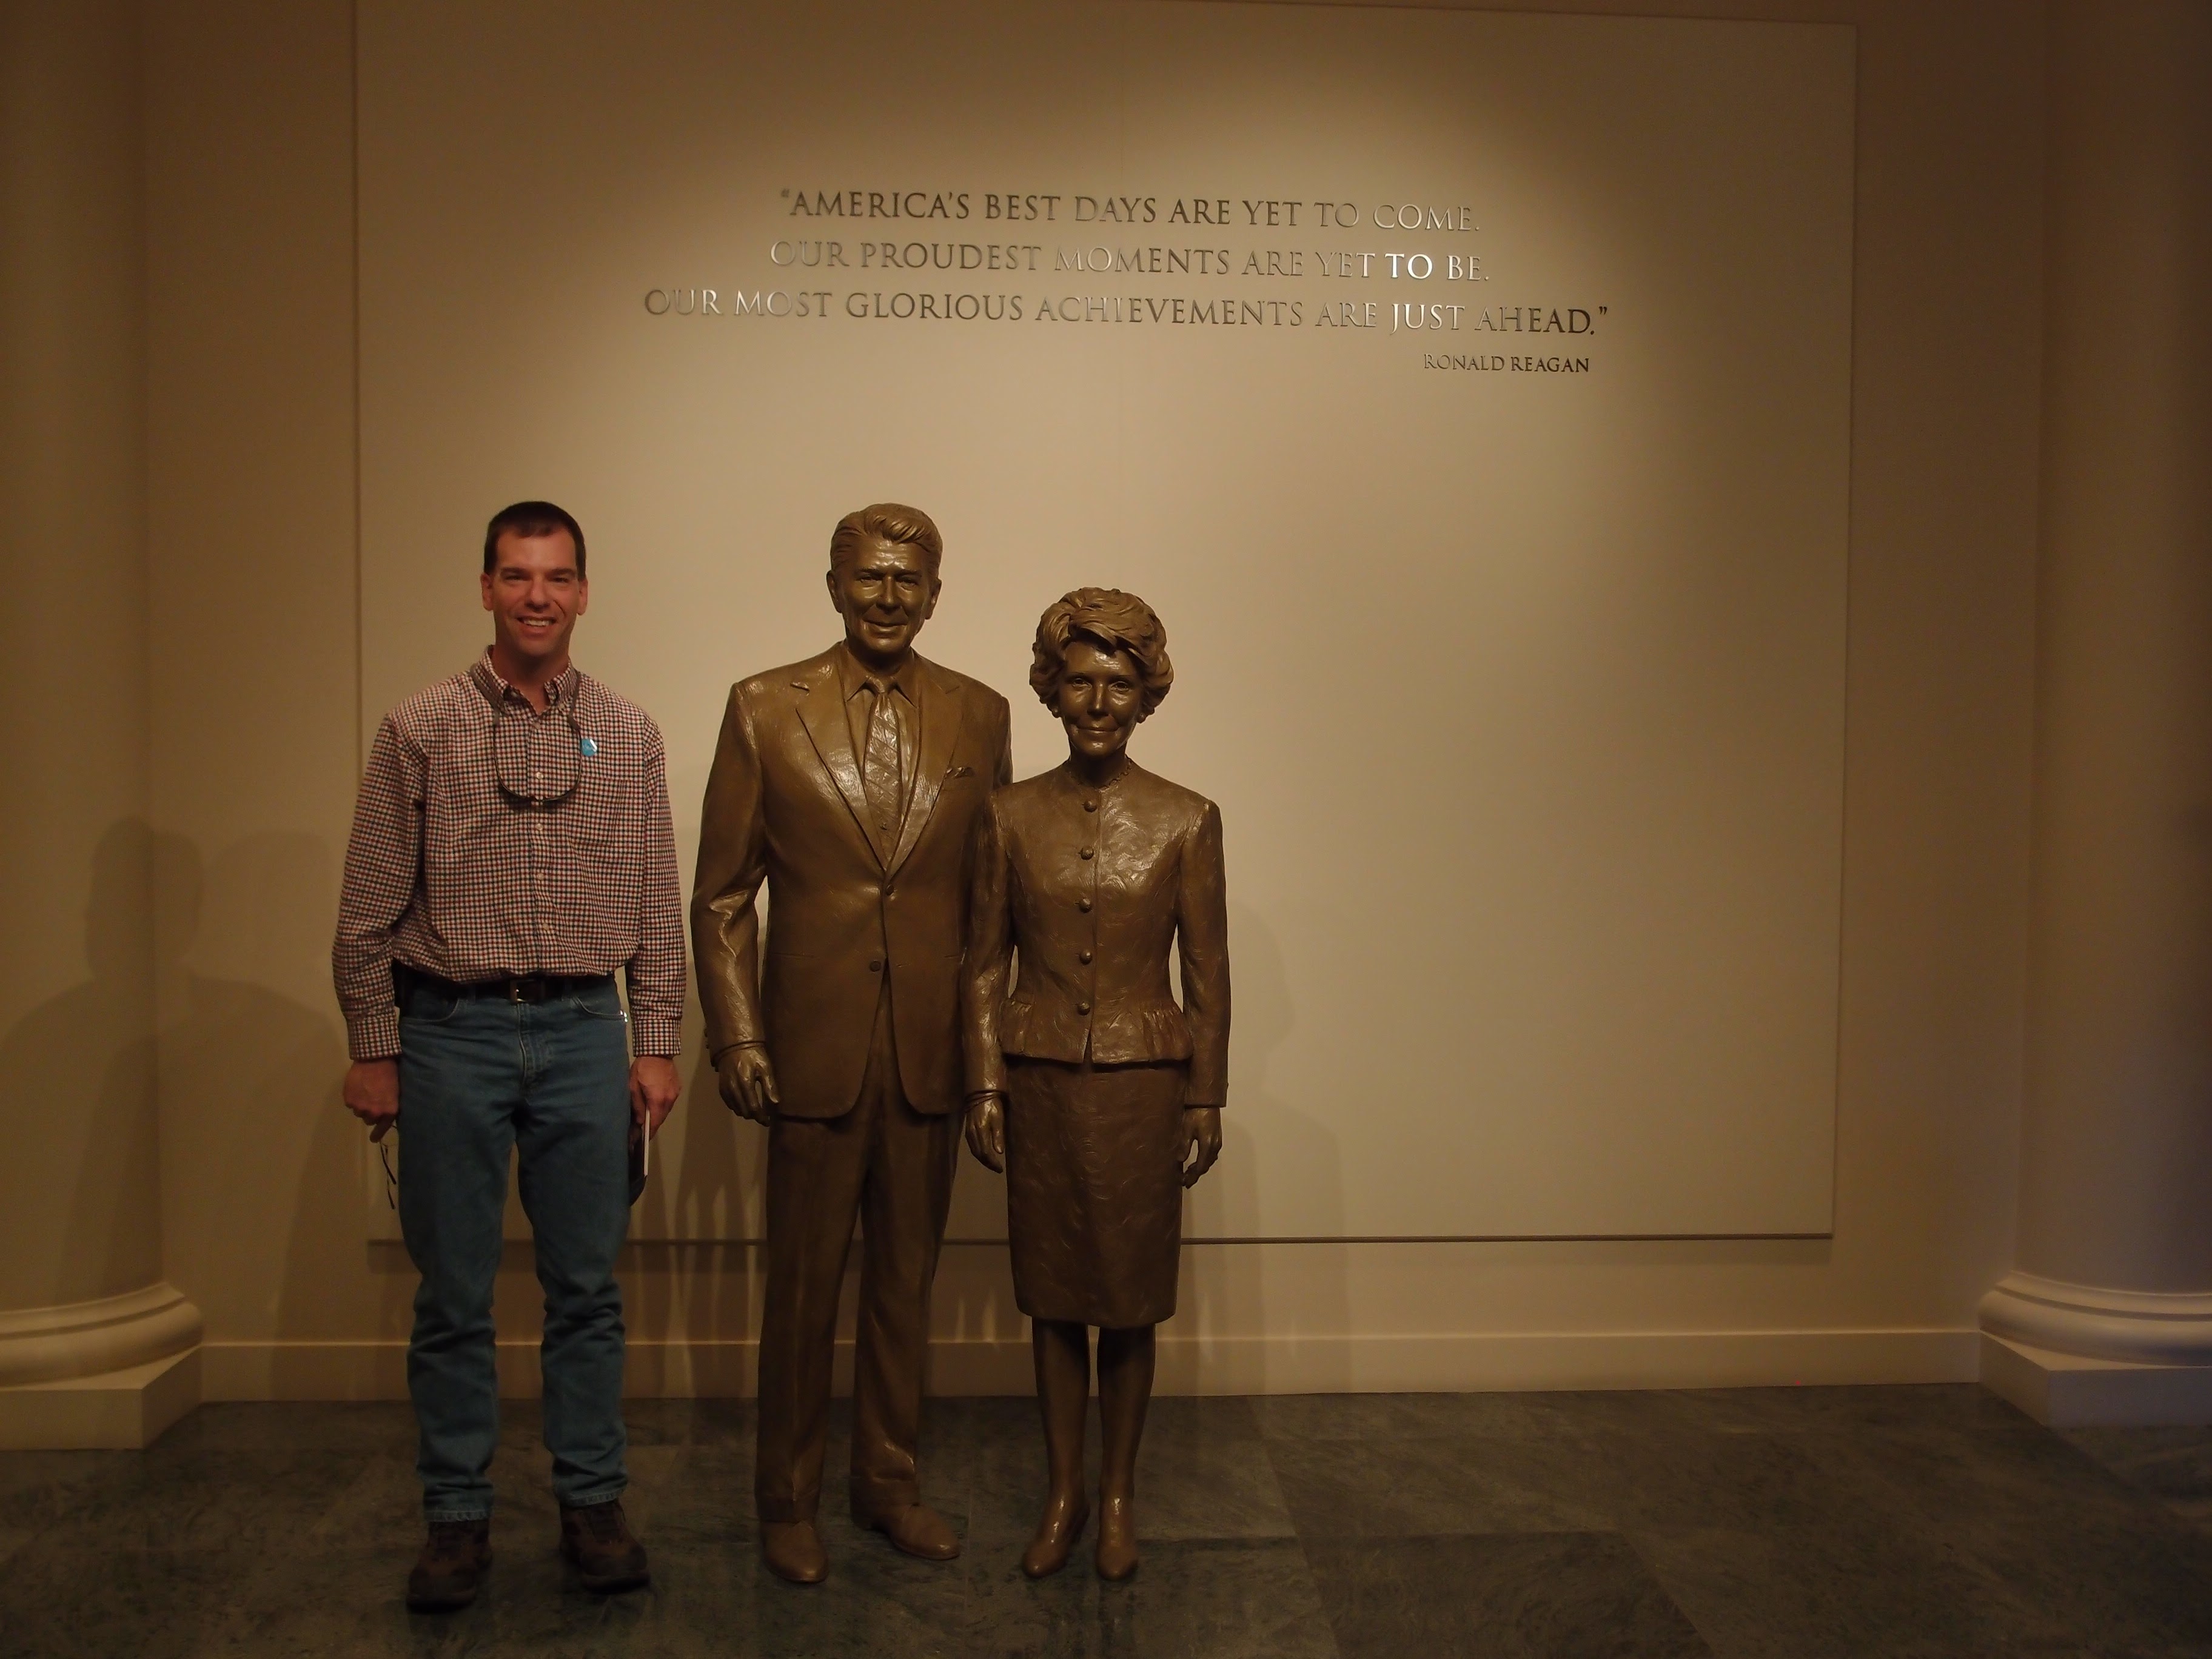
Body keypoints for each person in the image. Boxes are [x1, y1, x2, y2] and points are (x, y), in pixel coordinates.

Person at [333, 501, 684, 1612]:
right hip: (453, 1033)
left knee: (586, 1291)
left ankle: (593, 1504)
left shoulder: (629, 734)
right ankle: (455, 1518)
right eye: (518, 575)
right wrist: (375, 1046)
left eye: (558, 577)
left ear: (584, 593)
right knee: (453, 1296)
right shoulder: (419, 727)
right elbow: (368, 906)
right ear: (486, 588)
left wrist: (657, 1041)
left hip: (585, 1032)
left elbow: (656, 904)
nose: (539, 596)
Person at [692, 503, 1012, 1584]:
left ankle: (889, 1484)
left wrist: (986, 1062)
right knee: (802, 1289)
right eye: (868, 576)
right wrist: (738, 1032)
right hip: (809, 1050)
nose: (887, 596)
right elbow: (722, 896)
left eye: (907, 580)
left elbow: (991, 908)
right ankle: (786, 1501)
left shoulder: (982, 715)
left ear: (935, 594)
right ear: (833, 585)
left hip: (927, 1052)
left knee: (903, 1287)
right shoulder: (761, 707)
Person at [960, 588, 1229, 1581]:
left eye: (1119, 683)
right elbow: (982, 965)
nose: (1099, 702)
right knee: (1051, 1295)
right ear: (1052, 689)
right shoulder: (1007, 816)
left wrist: (1206, 1095)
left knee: (1127, 1298)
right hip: (1037, 1082)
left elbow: (1209, 971)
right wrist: (983, 1084)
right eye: (1079, 681)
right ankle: (1062, 1491)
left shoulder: (1187, 820)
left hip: (1141, 1089)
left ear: (1147, 693)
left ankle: (1117, 1495)